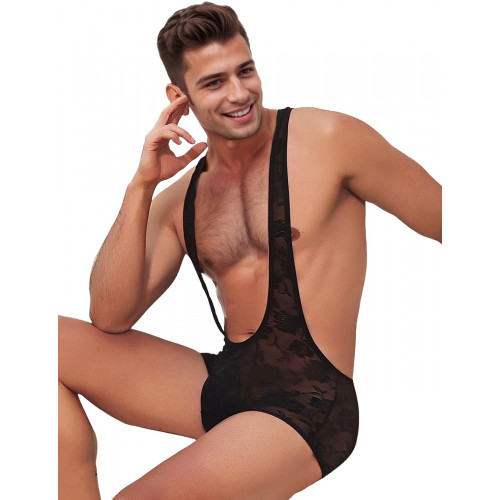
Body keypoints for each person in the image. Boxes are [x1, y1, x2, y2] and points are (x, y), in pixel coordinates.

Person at [58, 2, 442, 499]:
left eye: (245, 71)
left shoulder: (328, 140)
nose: (240, 94)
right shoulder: (180, 198)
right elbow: (109, 316)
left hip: (310, 401)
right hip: (228, 381)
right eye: (214, 83)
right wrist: (141, 185)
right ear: (179, 98)